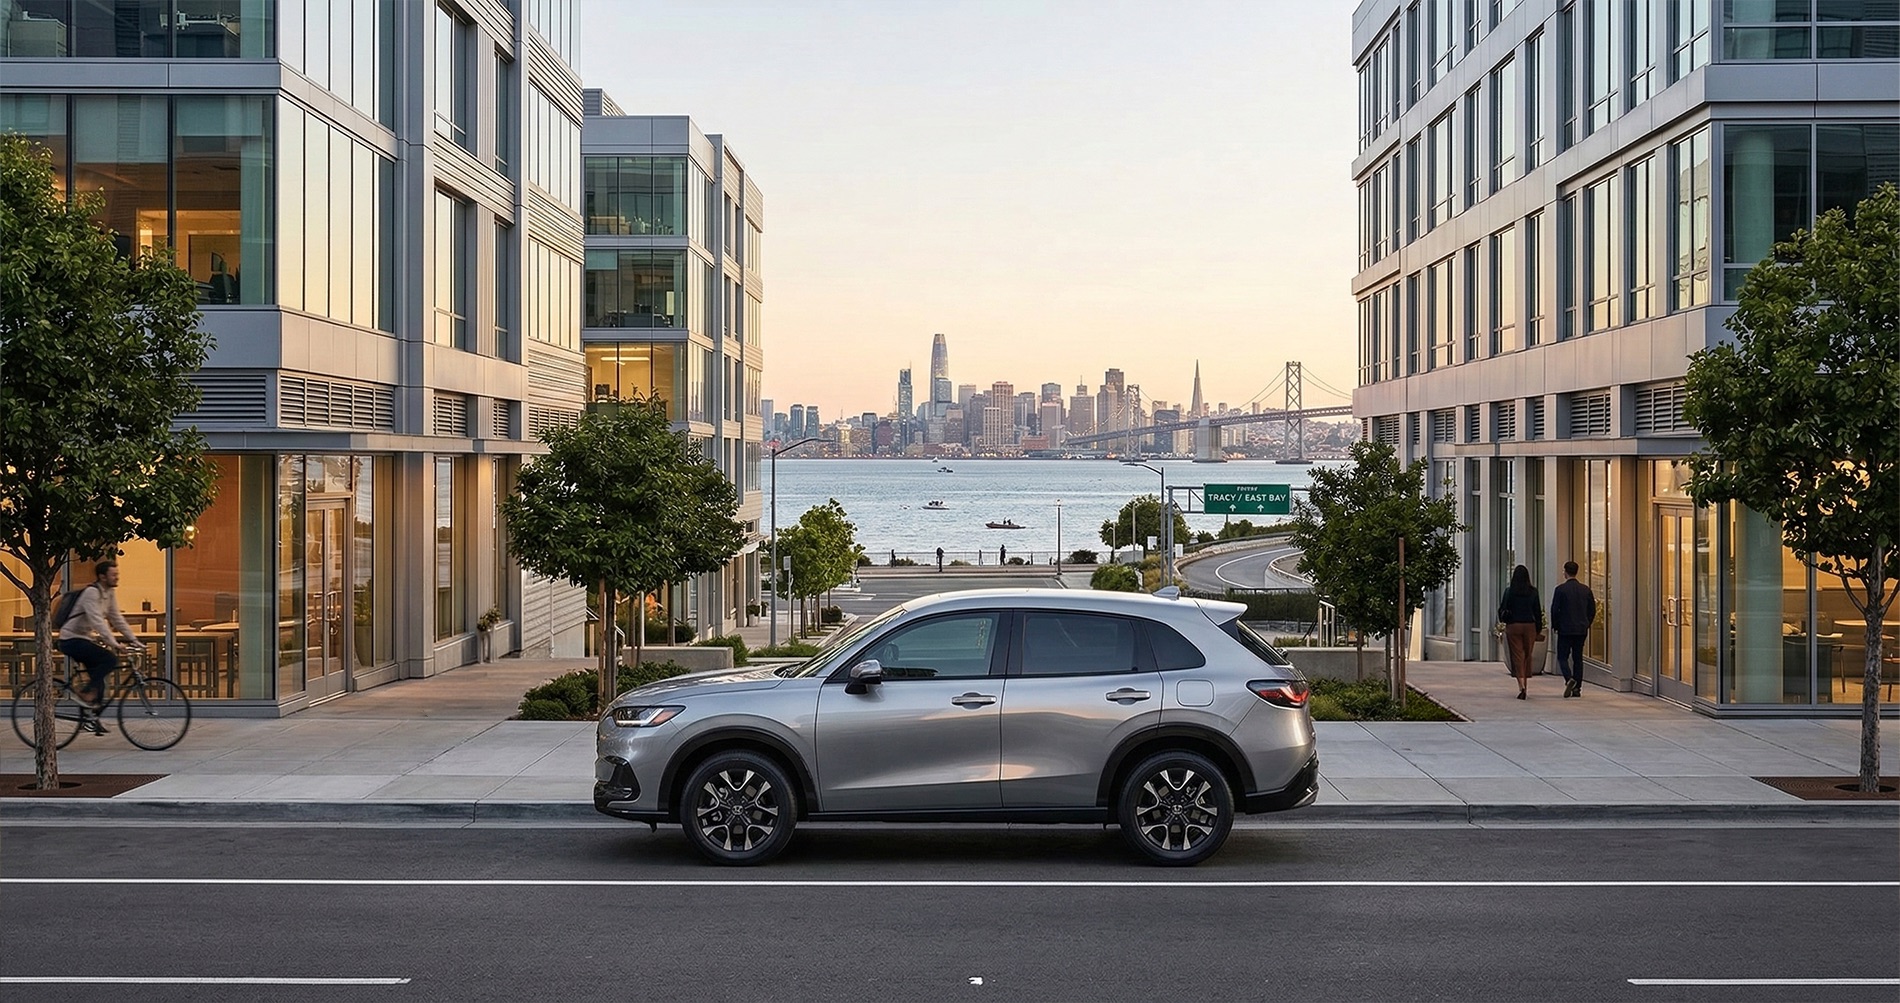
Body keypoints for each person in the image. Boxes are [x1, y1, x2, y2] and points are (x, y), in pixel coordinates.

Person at [56, 559, 146, 727]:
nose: (117, 578)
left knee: (99, 681)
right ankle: (85, 693)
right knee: (109, 660)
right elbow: (97, 621)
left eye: (117, 574)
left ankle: (91, 719)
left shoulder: (109, 593)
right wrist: (114, 643)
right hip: (70, 639)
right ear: (102, 577)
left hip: (84, 638)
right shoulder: (91, 593)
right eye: (113, 575)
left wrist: (133, 639)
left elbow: (116, 618)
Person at [1549, 560, 1598, 698]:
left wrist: (1556, 625)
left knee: (1562, 657)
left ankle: (1569, 678)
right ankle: (1577, 688)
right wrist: (1587, 623)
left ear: (1565, 571)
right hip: (1581, 629)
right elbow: (1592, 610)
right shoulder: (1585, 590)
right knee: (1578, 658)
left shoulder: (1560, 590)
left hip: (1565, 629)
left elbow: (1554, 610)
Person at [1496, 564, 1545, 700]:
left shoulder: (1509, 591)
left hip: (1514, 625)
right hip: (1529, 625)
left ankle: (1521, 686)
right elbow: (1537, 611)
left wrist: (1504, 620)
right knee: (1527, 655)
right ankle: (1526, 684)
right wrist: (1538, 629)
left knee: (1517, 656)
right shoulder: (1533, 592)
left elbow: (1502, 608)